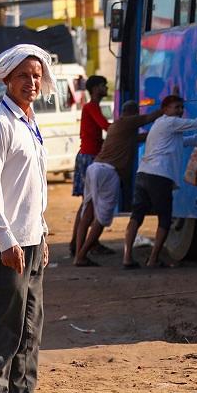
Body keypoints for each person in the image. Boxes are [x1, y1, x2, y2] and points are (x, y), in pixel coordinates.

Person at [0, 44, 75, 393]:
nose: (31, 82)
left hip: (31, 239)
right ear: (7, 79)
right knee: (1, 328)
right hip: (4, 246)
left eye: (36, 76)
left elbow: (30, 189)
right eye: (23, 76)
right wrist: (6, 240)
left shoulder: (29, 123)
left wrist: (42, 231)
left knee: (29, 327)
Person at [123, 94, 197, 269]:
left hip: (143, 174)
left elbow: (179, 142)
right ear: (165, 109)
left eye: (181, 107)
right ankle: (153, 259)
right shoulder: (170, 122)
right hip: (159, 177)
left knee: (136, 216)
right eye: (176, 107)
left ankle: (127, 257)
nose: (180, 111)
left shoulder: (160, 124)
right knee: (164, 220)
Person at [74, 101, 162, 267]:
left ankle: (79, 254)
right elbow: (149, 118)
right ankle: (81, 255)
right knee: (102, 218)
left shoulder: (119, 129)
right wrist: (168, 107)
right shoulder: (127, 122)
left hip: (95, 168)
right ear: (132, 113)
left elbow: (142, 137)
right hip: (108, 172)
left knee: (88, 212)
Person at [69, 76, 110, 257]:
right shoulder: (91, 107)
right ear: (94, 89)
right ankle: (80, 243)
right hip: (89, 157)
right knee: (88, 203)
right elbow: (106, 126)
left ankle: (82, 243)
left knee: (88, 203)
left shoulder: (92, 107)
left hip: (89, 155)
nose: (105, 88)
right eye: (103, 86)